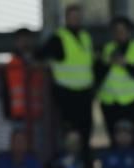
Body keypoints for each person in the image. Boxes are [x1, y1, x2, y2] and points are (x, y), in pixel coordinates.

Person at [38, 4, 95, 150]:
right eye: (72, 17)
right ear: (66, 19)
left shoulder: (85, 37)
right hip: (66, 93)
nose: (75, 20)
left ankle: (84, 165)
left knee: (86, 132)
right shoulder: (59, 38)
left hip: (84, 92)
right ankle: (70, 166)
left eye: (78, 17)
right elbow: (40, 54)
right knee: (70, 133)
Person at [97, 16, 134, 133]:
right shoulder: (106, 49)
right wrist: (108, 63)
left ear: (129, 31)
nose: (119, 34)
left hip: (133, 101)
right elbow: (97, 74)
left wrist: (126, 64)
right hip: (110, 102)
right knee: (113, 137)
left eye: (122, 30)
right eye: (116, 31)